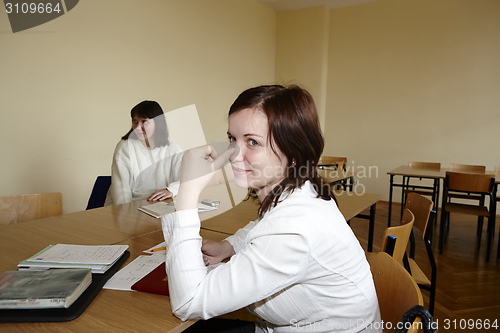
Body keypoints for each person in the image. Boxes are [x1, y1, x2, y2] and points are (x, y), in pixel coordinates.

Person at [162, 85, 381, 332]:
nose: (234, 154)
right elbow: (264, 225)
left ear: (293, 152)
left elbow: (189, 302)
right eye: (233, 139)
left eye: (252, 142)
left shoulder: (293, 230)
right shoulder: (300, 190)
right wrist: (229, 246)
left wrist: (188, 193)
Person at [104, 100, 183, 206]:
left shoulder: (173, 149)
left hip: (160, 207)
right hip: (130, 208)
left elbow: (186, 180)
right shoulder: (125, 147)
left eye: (144, 121)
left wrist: (171, 190)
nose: (137, 127)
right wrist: (127, 213)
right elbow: (121, 190)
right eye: (135, 121)